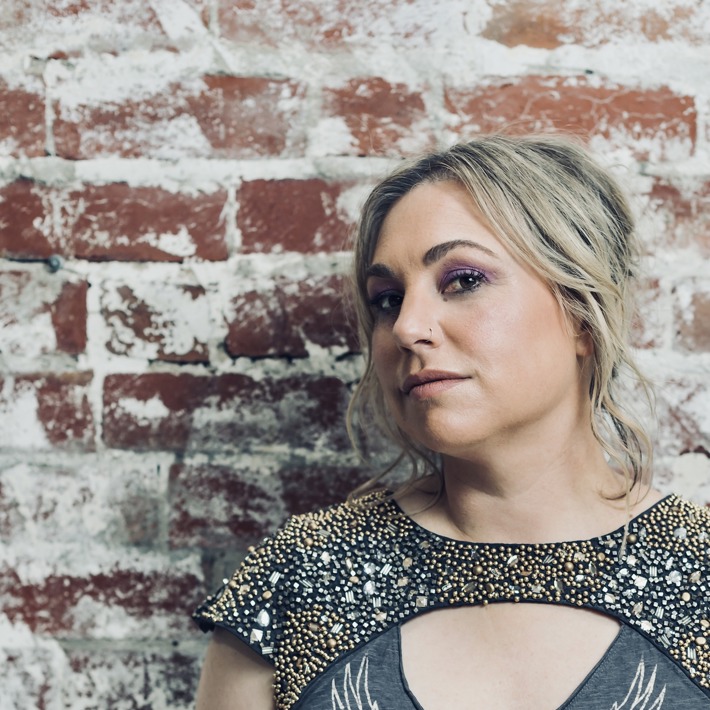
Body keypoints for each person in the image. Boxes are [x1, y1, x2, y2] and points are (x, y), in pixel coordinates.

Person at [193, 134, 710, 709]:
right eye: (387, 299)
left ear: (582, 314)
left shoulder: (700, 572)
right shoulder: (302, 576)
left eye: (463, 281)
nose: (407, 327)